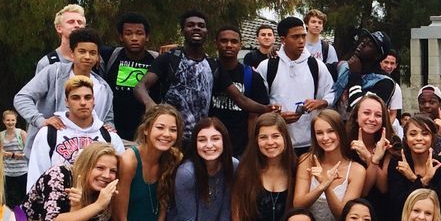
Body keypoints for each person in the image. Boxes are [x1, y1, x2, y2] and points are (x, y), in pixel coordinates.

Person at [113, 104, 182, 221]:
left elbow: (162, 214)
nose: (166, 134)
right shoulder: (129, 161)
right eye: (160, 127)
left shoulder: (173, 160)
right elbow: (119, 220)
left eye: (173, 130)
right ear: (146, 130)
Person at [15, 27, 115, 153]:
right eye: (82, 51)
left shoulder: (104, 88)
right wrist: (40, 120)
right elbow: (22, 97)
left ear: (97, 57)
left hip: (88, 155)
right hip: (48, 150)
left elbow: (108, 119)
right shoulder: (54, 72)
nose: (87, 57)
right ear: (72, 54)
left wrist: (109, 128)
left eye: (93, 53)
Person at [24, 74, 124, 187]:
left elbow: (122, 180)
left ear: (93, 100)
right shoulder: (49, 133)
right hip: (58, 201)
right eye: (75, 98)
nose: (82, 103)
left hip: (99, 201)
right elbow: (36, 177)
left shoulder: (109, 136)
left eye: (87, 97)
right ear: (66, 102)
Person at [134, 10, 215, 137]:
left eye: (201, 26)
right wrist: (149, 104)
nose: (196, 28)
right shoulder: (169, 58)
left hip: (199, 139)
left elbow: (238, 98)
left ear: (206, 31)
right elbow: (140, 86)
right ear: (183, 31)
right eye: (190, 25)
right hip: (170, 136)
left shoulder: (212, 64)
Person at [294, 110, 366, 221]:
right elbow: (297, 205)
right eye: (319, 133)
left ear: (340, 132)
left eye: (331, 131)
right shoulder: (306, 160)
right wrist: (321, 186)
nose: (325, 138)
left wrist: (326, 186)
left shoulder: (357, 170)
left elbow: (343, 216)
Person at [263, 16, 334, 155]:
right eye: (295, 37)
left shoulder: (316, 66)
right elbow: (258, 103)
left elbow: (331, 91)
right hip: (276, 143)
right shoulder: (267, 67)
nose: (301, 41)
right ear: (283, 40)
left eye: (303, 36)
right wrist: (277, 117)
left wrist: (321, 102)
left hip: (310, 143)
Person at [231, 113, 296, 221]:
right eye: (263, 137)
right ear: (256, 141)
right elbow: (237, 220)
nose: (270, 142)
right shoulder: (245, 171)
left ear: (285, 138)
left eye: (275, 136)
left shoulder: (296, 170)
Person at [385, 113, 441, 221]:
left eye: (425, 134)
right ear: (406, 140)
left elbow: (440, 201)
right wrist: (424, 181)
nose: (419, 138)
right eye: (413, 134)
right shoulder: (398, 163)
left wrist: (413, 178)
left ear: (432, 138)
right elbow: (400, 202)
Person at [210, 24, 274, 154]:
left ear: (240, 44)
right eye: (224, 41)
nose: (229, 45)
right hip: (209, 145)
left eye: (234, 41)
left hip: (240, 148)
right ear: (215, 43)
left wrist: (252, 149)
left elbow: (258, 116)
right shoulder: (207, 71)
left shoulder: (252, 76)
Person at [103, 12, 159, 141]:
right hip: (115, 133)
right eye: (128, 34)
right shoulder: (110, 56)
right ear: (121, 37)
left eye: (139, 33)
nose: (134, 38)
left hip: (146, 134)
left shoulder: (157, 60)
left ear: (147, 36)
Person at [33, 4, 87, 73]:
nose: (76, 25)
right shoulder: (47, 63)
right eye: (71, 22)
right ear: (59, 28)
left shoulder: (95, 61)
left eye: (80, 22)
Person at [0, 110, 30, 208]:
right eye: (8, 120)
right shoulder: (0, 135)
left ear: (16, 121)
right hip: (6, 171)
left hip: (22, 171)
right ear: (4, 121)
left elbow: (28, 153)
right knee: (6, 198)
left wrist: (12, 155)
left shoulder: (22, 133)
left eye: (13, 120)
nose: (10, 122)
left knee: (24, 197)